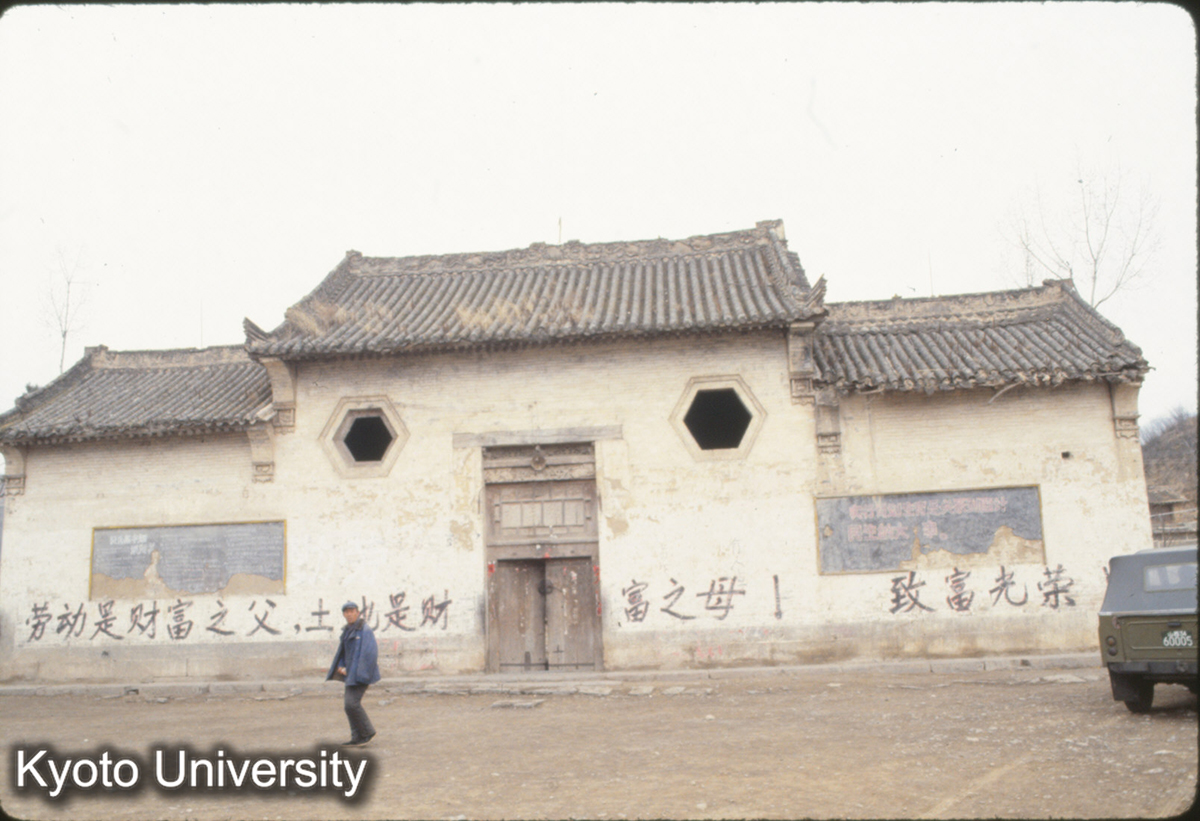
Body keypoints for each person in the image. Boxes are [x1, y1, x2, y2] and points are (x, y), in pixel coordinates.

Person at [327, 601, 380, 746]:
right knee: (349, 705)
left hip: (361, 674)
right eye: (347, 612)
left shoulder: (365, 630)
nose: (349, 614)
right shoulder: (347, 631)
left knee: (352, 704)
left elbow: (370, 654)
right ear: (344, 614)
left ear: (357, 613)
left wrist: (362, 674)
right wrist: (341, 665)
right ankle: (357, 737)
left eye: (352, 611)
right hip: (350, 674)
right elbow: (344, 652)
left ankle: (367, 732)